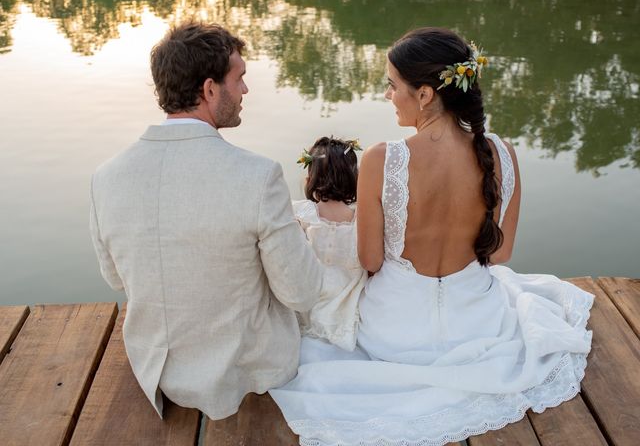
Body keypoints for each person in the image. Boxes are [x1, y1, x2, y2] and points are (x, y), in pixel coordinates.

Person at [269, 27, 594, 445]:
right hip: (479, 326)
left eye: (392, 85)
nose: (387, 95)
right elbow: (502, 253)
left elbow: (370, 261)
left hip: (394, 334)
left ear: (424, 95)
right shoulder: (503, 152)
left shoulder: (381, 159)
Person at [89, 22, 326, 420]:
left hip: (156, 370)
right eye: (240, 79)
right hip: (244, 373)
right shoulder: (257, 176)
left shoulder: (105, 177)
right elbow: (301, 293)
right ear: (210, 89)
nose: (245, 90)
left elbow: (117, 279)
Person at [292, 136, 368, 352]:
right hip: (346, 310)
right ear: (354, 177)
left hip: (309, 307)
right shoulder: (362, 221)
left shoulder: (300, 214)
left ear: (311, 177)